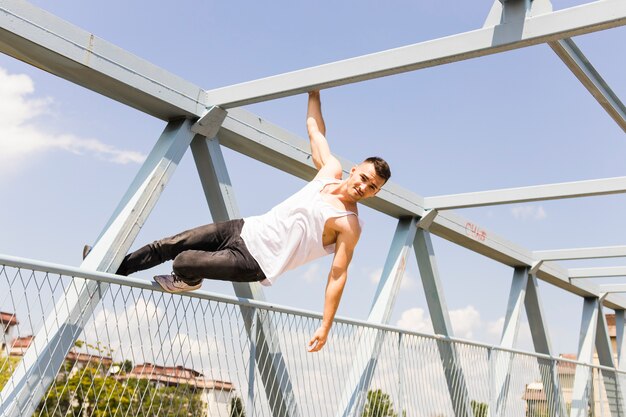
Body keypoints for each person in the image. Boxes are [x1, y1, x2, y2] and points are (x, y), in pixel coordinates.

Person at [108, 91, 390, 352]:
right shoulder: (330, 171)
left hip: (255, 262)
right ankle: (113, 268)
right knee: (170, 243)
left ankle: (188, 280)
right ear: (354, 170)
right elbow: (316, 130)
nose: (364, 187)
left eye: (372, 187)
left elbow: (338, 275)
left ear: (376, 193)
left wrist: (326, 325)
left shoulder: (348, 225)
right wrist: (314, 92)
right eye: (364, 178)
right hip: (245, 228)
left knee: (183, 261)